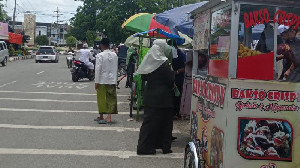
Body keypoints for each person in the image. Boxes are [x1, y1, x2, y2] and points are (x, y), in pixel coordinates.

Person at [136, 39, 175, 155]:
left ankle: (145, 147)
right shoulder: (164, 63)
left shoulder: (148, 61)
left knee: (149, 123)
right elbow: (171, 79)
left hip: (150, 97)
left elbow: (143, 77)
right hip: (164, 99)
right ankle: (165, 147)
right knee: (166, 123)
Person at [94, 38, 118, 124]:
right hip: (112, 80)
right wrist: (116, 80)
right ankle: (108, 116)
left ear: (101, 45)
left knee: (101, 99)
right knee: (111, 98)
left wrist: (96, 82)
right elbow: (116, 68)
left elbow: (98, 69)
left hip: (102, 80)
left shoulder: (100, 55)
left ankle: (101, 117)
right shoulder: (114, 55)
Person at [168, 40, 186, 119]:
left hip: (178, 78)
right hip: (171, 78)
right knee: (171, 96)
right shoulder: (169, 54)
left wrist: (177, 72)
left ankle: (176, 113)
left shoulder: (181, 54)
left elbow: (185, 67)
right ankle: (171, 112)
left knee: (177, 96)